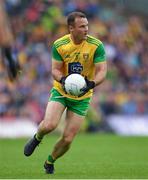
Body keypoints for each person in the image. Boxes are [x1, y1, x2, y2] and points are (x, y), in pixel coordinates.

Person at [24, 11, 107, 174]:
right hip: (61, 91)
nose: (86, 29)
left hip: (82, 96)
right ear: (71, 28)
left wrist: (92, 83)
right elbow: (54, 69)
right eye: (82, 26)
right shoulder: (60, 45)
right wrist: (63, 80)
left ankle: (50, 161)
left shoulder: (96, 45)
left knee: (68, 138)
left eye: (87, 25)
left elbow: (102, 70)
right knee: (49, 125)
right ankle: (37, 137)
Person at [0, 1, 21, 81]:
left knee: (10, 57)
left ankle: (15, 74)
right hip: (7, 44)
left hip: (7, 44)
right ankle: (15, 74)